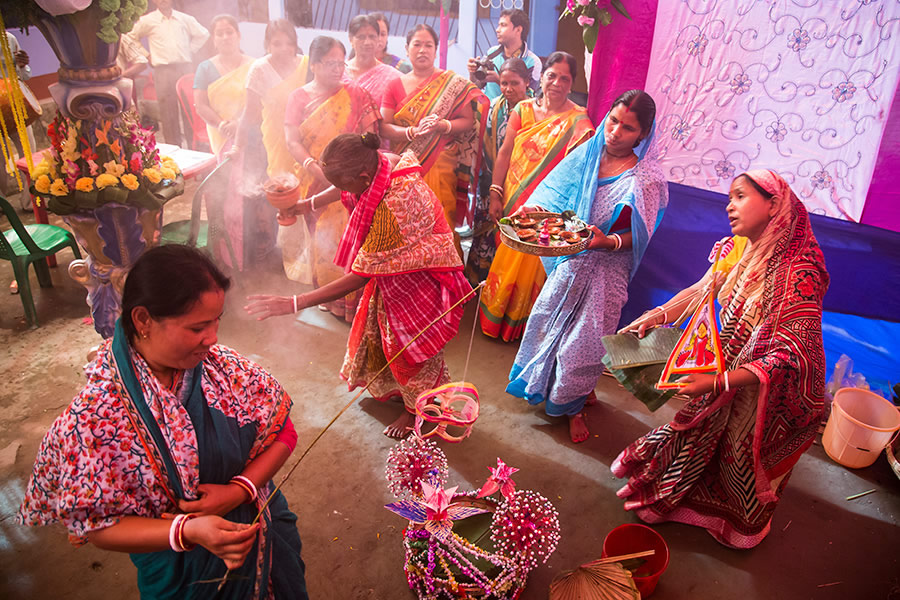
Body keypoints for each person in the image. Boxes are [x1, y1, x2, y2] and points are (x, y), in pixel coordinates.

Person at [17, 245, 308, 598]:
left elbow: (283, 432)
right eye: (198, 326)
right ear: (143, 320)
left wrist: (238, 491)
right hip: (183, 578)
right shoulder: (96, 416)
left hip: (261, 537)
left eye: (217, 321)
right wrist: (187, 532)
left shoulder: (224, 369)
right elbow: (98, 526)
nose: (213, 338)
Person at [612, 170, 829, 549]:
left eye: (741, 196)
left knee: (739, 452)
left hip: (762, 390)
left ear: (774, 204)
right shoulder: (741, 248)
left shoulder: (799, 271)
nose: (730, 205)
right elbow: (702, 287)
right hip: (723, 366)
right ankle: (680, 499)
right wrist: (658, 314)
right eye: (729, 197)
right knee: (705, 434)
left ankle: (737, 529)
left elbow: (791, 353)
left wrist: (717, 382)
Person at [245, 133, 472, 439]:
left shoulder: (394, 207)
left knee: (409, 348)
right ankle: (402, 393)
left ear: (363, 177)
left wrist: (295, 303)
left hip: (422, 276)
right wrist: (306, 204)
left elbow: (360, 275)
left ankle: (415, 408)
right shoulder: (379, 162)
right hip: (397, 270)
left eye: (343, 183)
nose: (341, 190)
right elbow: (345, 191)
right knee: (383, 333)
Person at [505, 90, 667, 444]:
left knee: (583, 343)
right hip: (572, 260)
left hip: (607, 271)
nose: (614, 131)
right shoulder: (588, 153)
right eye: (612, 120)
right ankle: (557, 390)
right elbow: (552, 194)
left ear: (642, 134)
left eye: (627, 128)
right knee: (546, 323)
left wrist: (605, 241)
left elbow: (637, 236)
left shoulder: (644, 179)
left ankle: (572, 406)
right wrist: (530, 211)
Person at [477, 52, 594, 341]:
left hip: (545, 208)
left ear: (572, 84)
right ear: (540, 78)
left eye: (564, 78)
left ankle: (522, 328)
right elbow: (504, 153)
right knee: (507, 257)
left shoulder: (577, 119)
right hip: (514, 199)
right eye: (551, 75)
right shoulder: (524, 109)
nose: (556, 82)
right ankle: (496, 322)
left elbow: (583, 164)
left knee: (533, 264)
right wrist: (496, 192)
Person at [281, 35, 380, 320]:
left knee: (354, 239)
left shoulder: (357, 94)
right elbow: (292, 141)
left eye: (341, 63)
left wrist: (345, 171)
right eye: (330, 63)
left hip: (352, 182)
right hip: (315, 180)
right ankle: (330, 297)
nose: (338, 69)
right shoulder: (298, 97)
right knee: (322, 241)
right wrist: (317, 169)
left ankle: (353, 304)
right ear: (314, 65)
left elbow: (369, 139)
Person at [380, 24, 488, 256]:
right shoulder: (395, 84)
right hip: (406, 167)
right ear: (407, 48)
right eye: (416, 44)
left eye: (428, 45)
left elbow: (468, 120)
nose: (422, 50)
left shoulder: (451, 82)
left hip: (441, 163)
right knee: (406, 226)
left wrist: (442, 126)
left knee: (441, 223)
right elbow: (384, 126)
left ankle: (446, 285)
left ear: (436, 49)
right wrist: (410, 132)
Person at [465, 57, 532, 284]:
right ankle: (481, 283)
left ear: (527, 82)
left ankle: (505, 285)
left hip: (521, 184)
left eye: (514, 83)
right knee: (485, 233)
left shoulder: (536, 111)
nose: (508, 89)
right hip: (491, 181)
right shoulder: (493, 107)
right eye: (504, 83)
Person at [129, 0, 209, 147]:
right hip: (163, 71)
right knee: (168, 114)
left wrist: (190, 51)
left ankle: (194, 147)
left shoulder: (184, 19)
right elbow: (131, 37)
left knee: (190, 109)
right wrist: (147, 55)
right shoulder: (148, 20)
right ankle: (175, 150)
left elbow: (203, 34)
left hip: (185, 68)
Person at [193, 14, 254, 156]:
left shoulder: (254, 65)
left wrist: (240, 124)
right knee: (231, 176)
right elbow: (200, 105)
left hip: (252, 131)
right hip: (222, 133)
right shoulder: (205, 68)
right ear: (213, 40)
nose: (225, 37)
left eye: (229, 32)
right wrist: (222, 125)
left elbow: (260, 101)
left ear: (238, 35)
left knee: (257, 175)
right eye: (219, 34)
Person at [466, 8, 541, 100]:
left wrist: (499, 80)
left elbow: (531, 99)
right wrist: (472, 74)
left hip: (515, 113)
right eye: (499, 25)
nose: (497, 30)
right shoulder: (492, 53)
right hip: (489, 112)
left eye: (503, 25)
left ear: (518, 30)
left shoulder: (532, 62)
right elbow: (477, 86)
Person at [342, 15, 402, 110]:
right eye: (361, 37)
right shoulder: (340, 72)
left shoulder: (392, 77)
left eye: (372, 37)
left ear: (378, 39)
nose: (367, 42)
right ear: (351, 39)